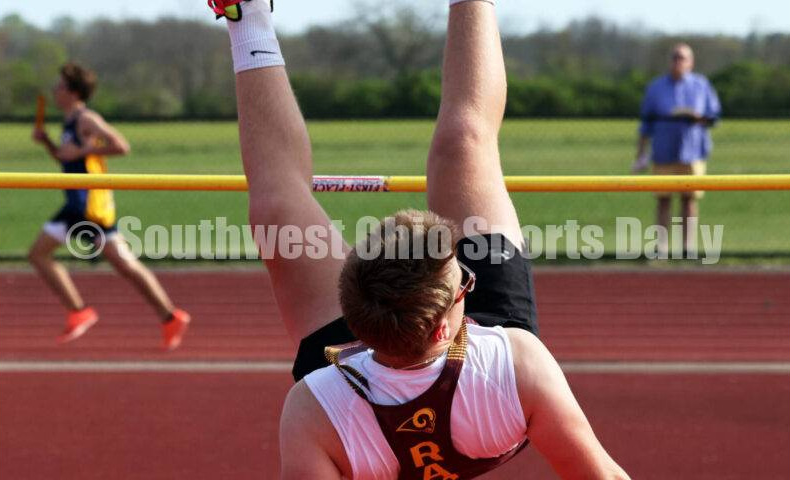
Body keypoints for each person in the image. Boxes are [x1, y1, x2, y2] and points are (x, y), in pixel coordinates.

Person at [211, 0, 629, 477]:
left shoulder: (313, 407)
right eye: (464, 279)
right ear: (445, 328)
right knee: (465, 142)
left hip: (361, 393)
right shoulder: (515, 365)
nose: (469, 273)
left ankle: (246, 17)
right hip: (480, 374)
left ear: (350, 309)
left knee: (276, 206)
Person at [30, 62, 191, 350]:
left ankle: (79, 311)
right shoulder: (68, 123)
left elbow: (121, 145)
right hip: (82, 202)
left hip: (87, 202)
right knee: (124, 263)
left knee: (38, 254)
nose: (55, 91)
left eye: (61, 86)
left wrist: (83, 149)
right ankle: (170, 317)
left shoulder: (85, 119)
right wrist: (48, 144)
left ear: (74, 92)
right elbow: (68, 160)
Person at [633, 43, 722, 256]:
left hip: (692, 151)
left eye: (682, 58)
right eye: (675, 57)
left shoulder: (701, 85)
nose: (678, 62)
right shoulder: (656, 87)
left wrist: (696, 117)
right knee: (663, 199)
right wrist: (641, 153)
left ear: (691, 62)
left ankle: (687, 247)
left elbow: (714, 116)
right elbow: (645, 122)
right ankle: (661, 247)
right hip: (664, 151)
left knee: (689, 199)